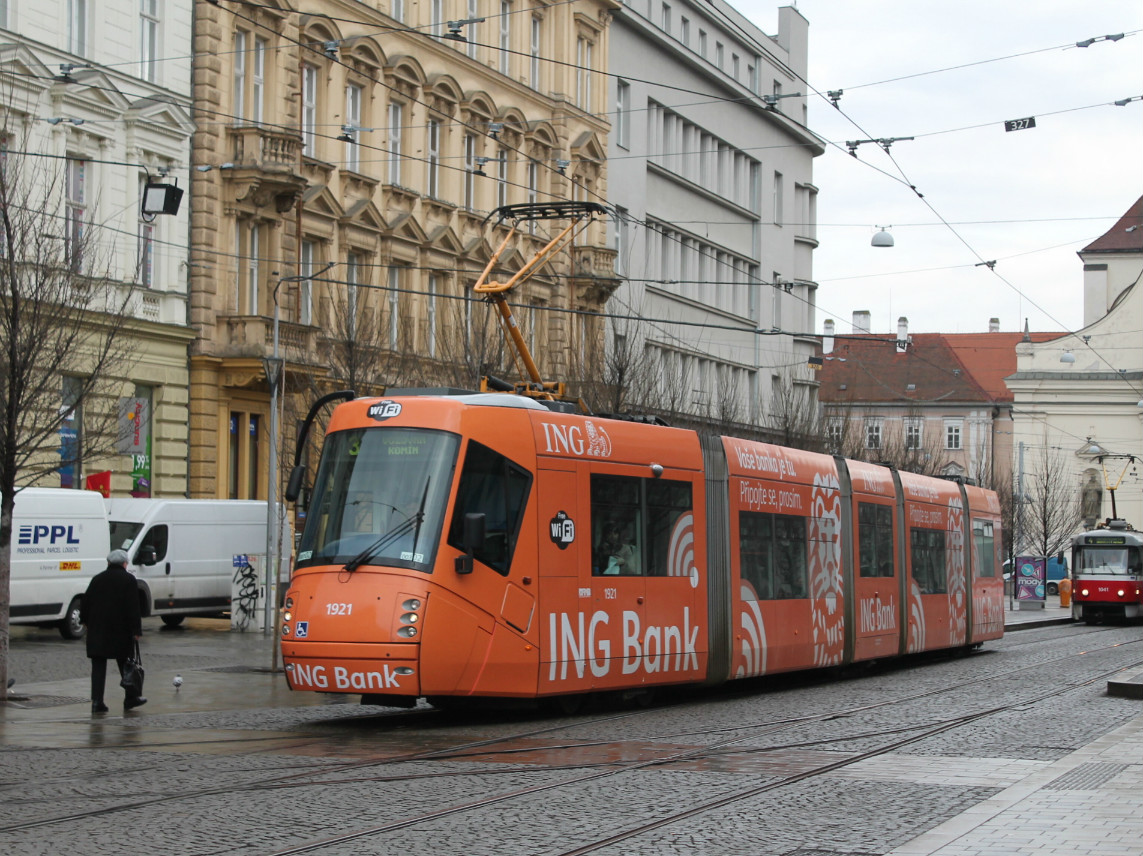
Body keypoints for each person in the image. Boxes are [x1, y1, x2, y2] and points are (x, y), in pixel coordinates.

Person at [80, 549, 146, 713]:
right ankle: (130, 698)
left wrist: (86, 622)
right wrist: (136, 630)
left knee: (98, 667)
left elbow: (85, 602)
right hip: (121, 631)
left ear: (108, 563)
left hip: (98, 630)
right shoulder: (129, 580)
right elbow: (133, 607)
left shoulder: (97, 579)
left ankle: (97, 702)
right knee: (126, 665)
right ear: (125, 564)